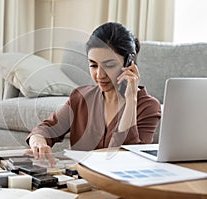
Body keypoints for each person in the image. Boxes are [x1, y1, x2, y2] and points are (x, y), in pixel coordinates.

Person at [25, 22, 161, 167]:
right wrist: (38, 142)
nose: (100, 75)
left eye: (109, 65)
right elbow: (46, 129)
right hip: (79, 183)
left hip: (120, 185)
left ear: (129, 62)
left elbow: (127, 159)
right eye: (93, 65)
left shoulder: (148, 107)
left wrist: (131, 99)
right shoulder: (81, 97)